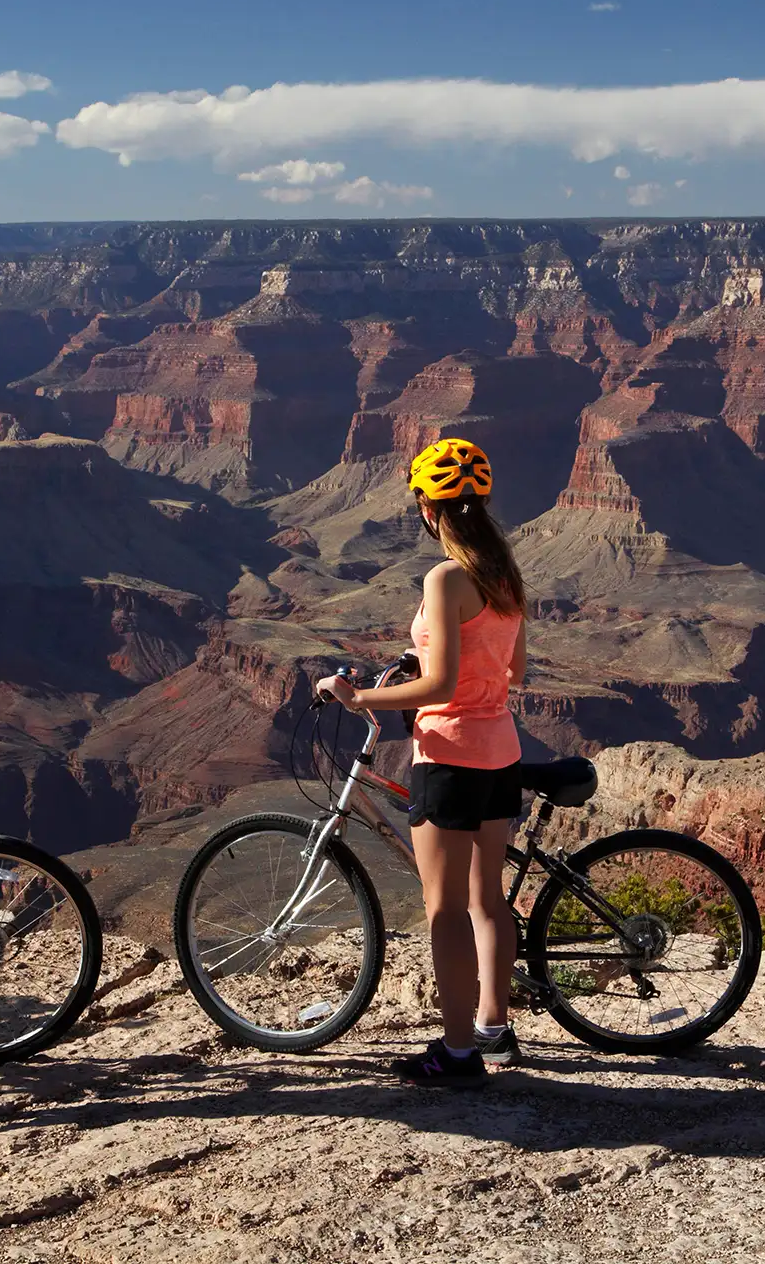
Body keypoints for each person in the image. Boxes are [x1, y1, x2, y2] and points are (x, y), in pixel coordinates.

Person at [317, 438, 528, 1086]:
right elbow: (514, 669)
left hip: (449, 757)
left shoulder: (446, 577)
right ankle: (494, 1029)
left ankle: (458, 1053)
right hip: (502, 753)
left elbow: (438, 688)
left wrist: (359, 697)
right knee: (488, 900)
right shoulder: (504, 574)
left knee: (444, 910)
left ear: (426, 508)